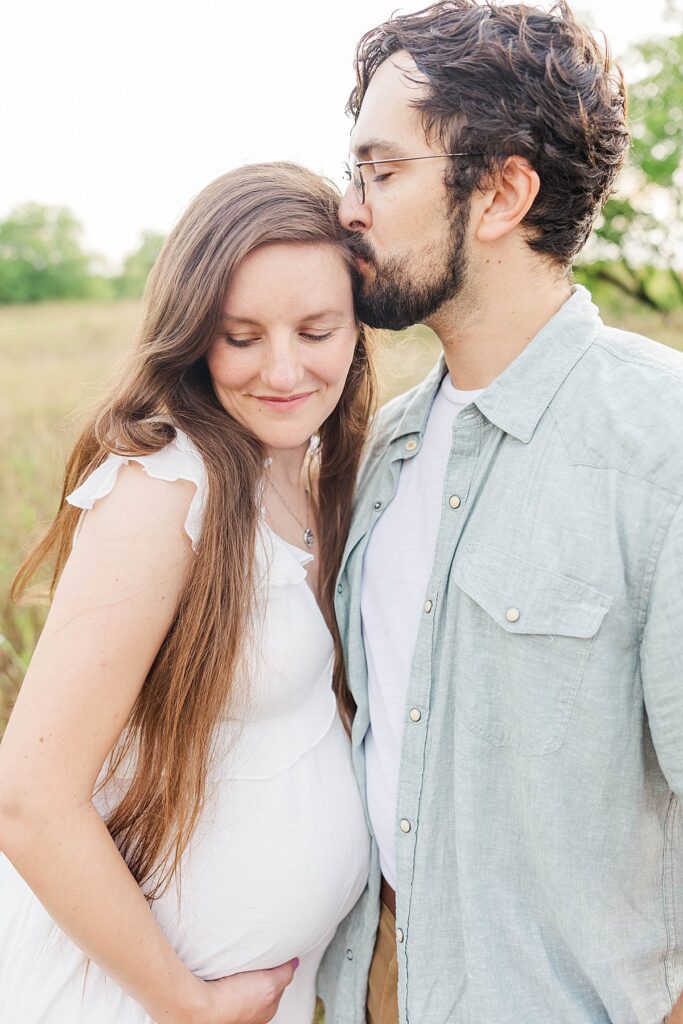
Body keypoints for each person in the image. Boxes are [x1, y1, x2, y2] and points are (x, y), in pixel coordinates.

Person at [317, 2, 683, 1023]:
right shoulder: (381, 446)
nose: (350, 205)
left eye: (382, 173)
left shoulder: (662, 448)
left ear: (500, 194)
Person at [0, 162, 374, 1024]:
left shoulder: (318, 477)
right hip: (131, 1001)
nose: (282, 370)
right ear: (192, 333)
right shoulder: (166, 490)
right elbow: (28, 799)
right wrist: (186, 1005)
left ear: (359, 328)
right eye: (240, 337)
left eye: (316, 330)